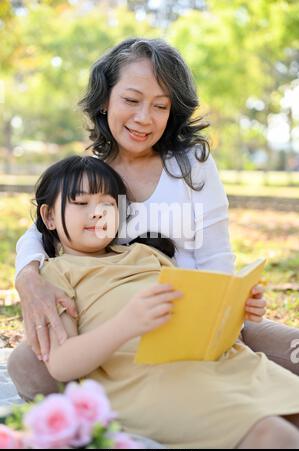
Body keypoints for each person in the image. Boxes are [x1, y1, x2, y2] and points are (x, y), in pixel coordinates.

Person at [8, 38, 299, 402]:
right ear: (104, 100)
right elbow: (37, 230)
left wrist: (224, 317)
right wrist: (28, 278)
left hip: (196, 319)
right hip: (114, 329)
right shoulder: (90, 175)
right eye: (131, 100)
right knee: (29, 367)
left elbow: (216, 258)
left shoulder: (191, 165)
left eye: (160, 106)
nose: (144, 118)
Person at [14, 154, 299, 449]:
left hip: (217, 362)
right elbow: (61, 365)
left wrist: (237, 308)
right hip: (147, 380)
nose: (97, 213)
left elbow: (194, 307)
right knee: (274, 435)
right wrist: (127, 324)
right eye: (81, 203)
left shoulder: (145, 254)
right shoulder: (55, 275)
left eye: (107, 204)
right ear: (48, 217)